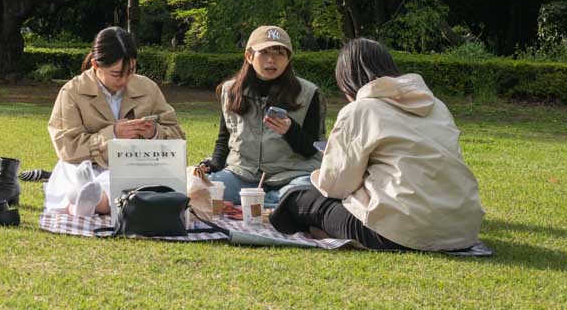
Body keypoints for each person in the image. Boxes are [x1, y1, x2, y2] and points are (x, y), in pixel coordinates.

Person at [269, 39, 484, 251]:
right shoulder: (438, 106)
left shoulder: (361, 110)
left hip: (400, 231)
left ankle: (322, 232)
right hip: (461, 230)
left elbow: (335, 187)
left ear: (347, 83)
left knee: (297, 199)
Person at [44, 26, 184, 214]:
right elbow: (67, 146)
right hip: (87, 165)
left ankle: (86, 203)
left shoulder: (148, 88)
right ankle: (88, 198)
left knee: (128, 180)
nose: (124, 80)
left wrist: (154, 133)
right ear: (95, 64)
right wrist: (113, 135)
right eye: (116, 74)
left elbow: (178, 138)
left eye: (131, 71)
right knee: (76, 172)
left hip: (136, 166)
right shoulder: (72, 92)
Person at [195, 25, 323, 210]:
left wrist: (290, 131)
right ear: (249, 56)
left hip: (292, 175)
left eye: (279, 53)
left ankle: (265, 203)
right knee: (201, 189)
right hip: (242, 174)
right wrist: (213, 166)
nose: (271, 60)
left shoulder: (309, 93)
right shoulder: (230, 91)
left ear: (288, 59)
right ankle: (274, 206)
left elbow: (313, 150)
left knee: (306, 190)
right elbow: (224, 139)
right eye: (264, 52)